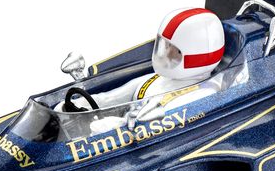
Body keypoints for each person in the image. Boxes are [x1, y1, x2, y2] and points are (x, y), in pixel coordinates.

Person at [61, 8, 226, 124]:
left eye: (174, 51)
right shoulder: (159, 78)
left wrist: (100, 126)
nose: (165, 54)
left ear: (197, 55)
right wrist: (74, 106)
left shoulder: (204, 95)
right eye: (164, 45)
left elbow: (143, 126)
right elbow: (110, 98)